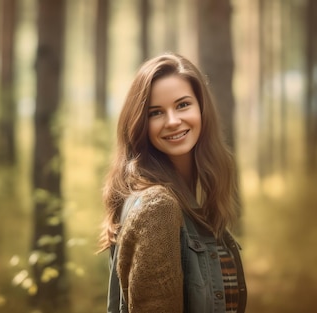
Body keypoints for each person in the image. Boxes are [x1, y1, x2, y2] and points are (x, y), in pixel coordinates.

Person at [99, 52, 247, 313]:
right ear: (140, 124)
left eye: (182, 105)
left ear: (201, 108)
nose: (172, 121)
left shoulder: (188, 200)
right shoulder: (158, 207)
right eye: (156, 112)